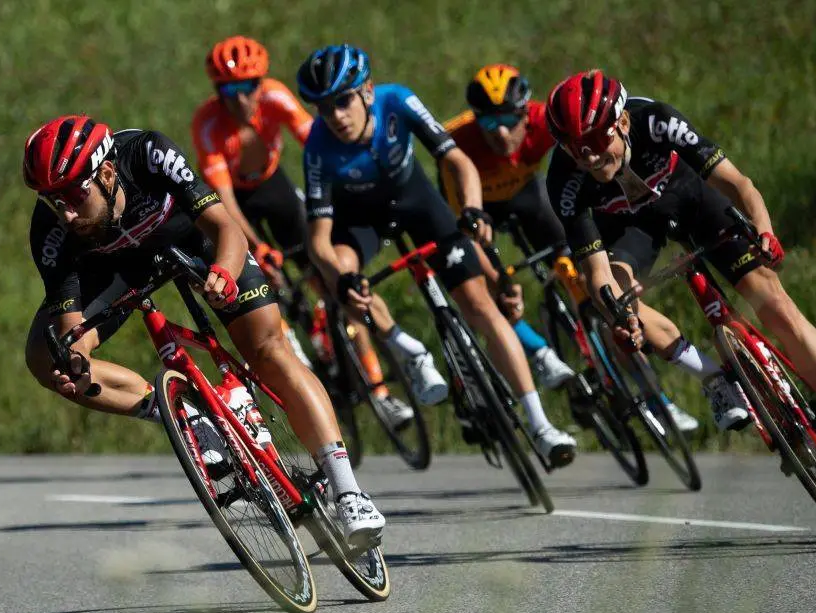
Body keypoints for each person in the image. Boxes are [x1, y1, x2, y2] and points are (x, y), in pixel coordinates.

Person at [22, 115, 385, 545]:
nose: (64, 212)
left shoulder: (147, 154)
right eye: (52, 200)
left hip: (195, 241)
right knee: (46, 358)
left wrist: (225, 274)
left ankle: (348, 492)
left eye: (71, 196)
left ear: (105, 173)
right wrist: (76, 363)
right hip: (116, 272)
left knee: (268, 348)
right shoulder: (51, 230)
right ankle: (185, 416)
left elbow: (226, 227)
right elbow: (72, 326)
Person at [543, 70, 816, 483]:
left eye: (595, 142)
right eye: (575, 148)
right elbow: (597, 270)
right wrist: (622, 317)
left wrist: (764, 230)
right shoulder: (564, 180)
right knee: (613, 298)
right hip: (630, 229)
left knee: (773, 301)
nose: (588, 158)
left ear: (622, 122)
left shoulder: (657, 122)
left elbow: (738, 184)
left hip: (690, 200)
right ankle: (713, 378)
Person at [296, 44, 577, 467]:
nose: (335, 115)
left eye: (342, 101)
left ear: (367, 91)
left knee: (480, 305)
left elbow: (457, 161)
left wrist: (473, 209)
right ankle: (408, 349)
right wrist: (344, 277)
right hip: (360, 220)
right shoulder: (317, 146)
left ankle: (540, 425)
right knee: (340, 276)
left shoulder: (398, 101)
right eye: (322, 107)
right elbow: (318, 241)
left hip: (417, 203)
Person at [441, 64, 702, 431]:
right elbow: (462, 227)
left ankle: (655, 398)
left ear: (525, 113)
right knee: (490, 289)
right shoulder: (457, 141)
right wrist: (495, 276)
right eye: (488, 123)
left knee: (586, 285)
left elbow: (584, 153)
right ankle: (540, 352)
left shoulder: (543, 122)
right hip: (479, 210)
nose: (500, 133)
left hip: (529, 199)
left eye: (509, 120)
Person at [192, 36, 414, 430]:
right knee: (261, 280)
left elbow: (320, 143)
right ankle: (299, 347)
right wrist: (259, 248)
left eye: (249, 87)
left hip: (273, 186)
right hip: (235, 202)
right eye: (229, 91)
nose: (241, 99)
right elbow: (224, 203)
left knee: (330, 280)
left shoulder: (275, 97)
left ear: (261, 84)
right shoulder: (208, 124)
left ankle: (380, 392)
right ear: (217, 91)